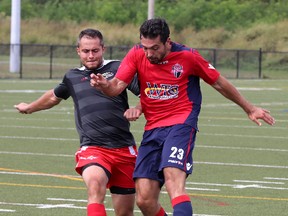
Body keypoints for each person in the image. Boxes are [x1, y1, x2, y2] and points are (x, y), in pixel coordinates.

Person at [89, 18, 275, 216]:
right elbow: (116, 86)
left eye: (155, 48)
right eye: (145, 47)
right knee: (144, 199)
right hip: (153, 128)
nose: (149, 53)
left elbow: (219, 83)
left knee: (172, 180)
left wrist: (249, 108)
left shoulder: (189, 57)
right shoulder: (136, 54)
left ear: (168, 41)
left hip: (181, 123)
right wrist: (105, 86)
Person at [14, 28, 141, 216]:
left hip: (124, 150)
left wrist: (137, 108)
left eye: (95, 51)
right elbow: (53, 97)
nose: (90, 56)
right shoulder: (72, 77)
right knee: (95, 186)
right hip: (93, 148)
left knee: (124, 212)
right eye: (86, 51)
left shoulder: (118, 68)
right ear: (78, 51)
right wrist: (30, 107)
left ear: (103, 49)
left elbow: (148, 93)